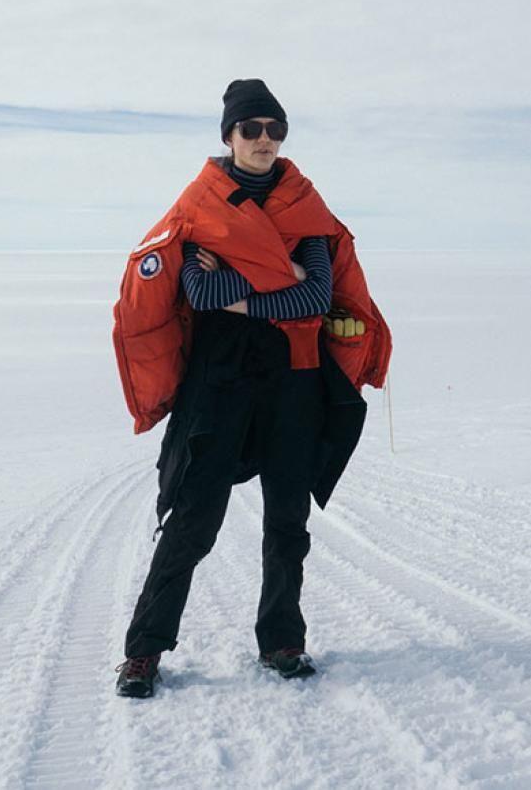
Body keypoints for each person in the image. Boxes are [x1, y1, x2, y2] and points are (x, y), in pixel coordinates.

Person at [110, 78, 391, 698]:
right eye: (251, 129)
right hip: (221, 379)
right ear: (229, 137)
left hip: (294, 377)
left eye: (274, 129)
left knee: (288, 517)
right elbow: (198, 293)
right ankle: (144, 651)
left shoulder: (306, 208)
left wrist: (240, 284)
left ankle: (282, 640)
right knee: (193, 515)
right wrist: (282, 278)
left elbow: (317, 296)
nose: (264, 140)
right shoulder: (198, 207)